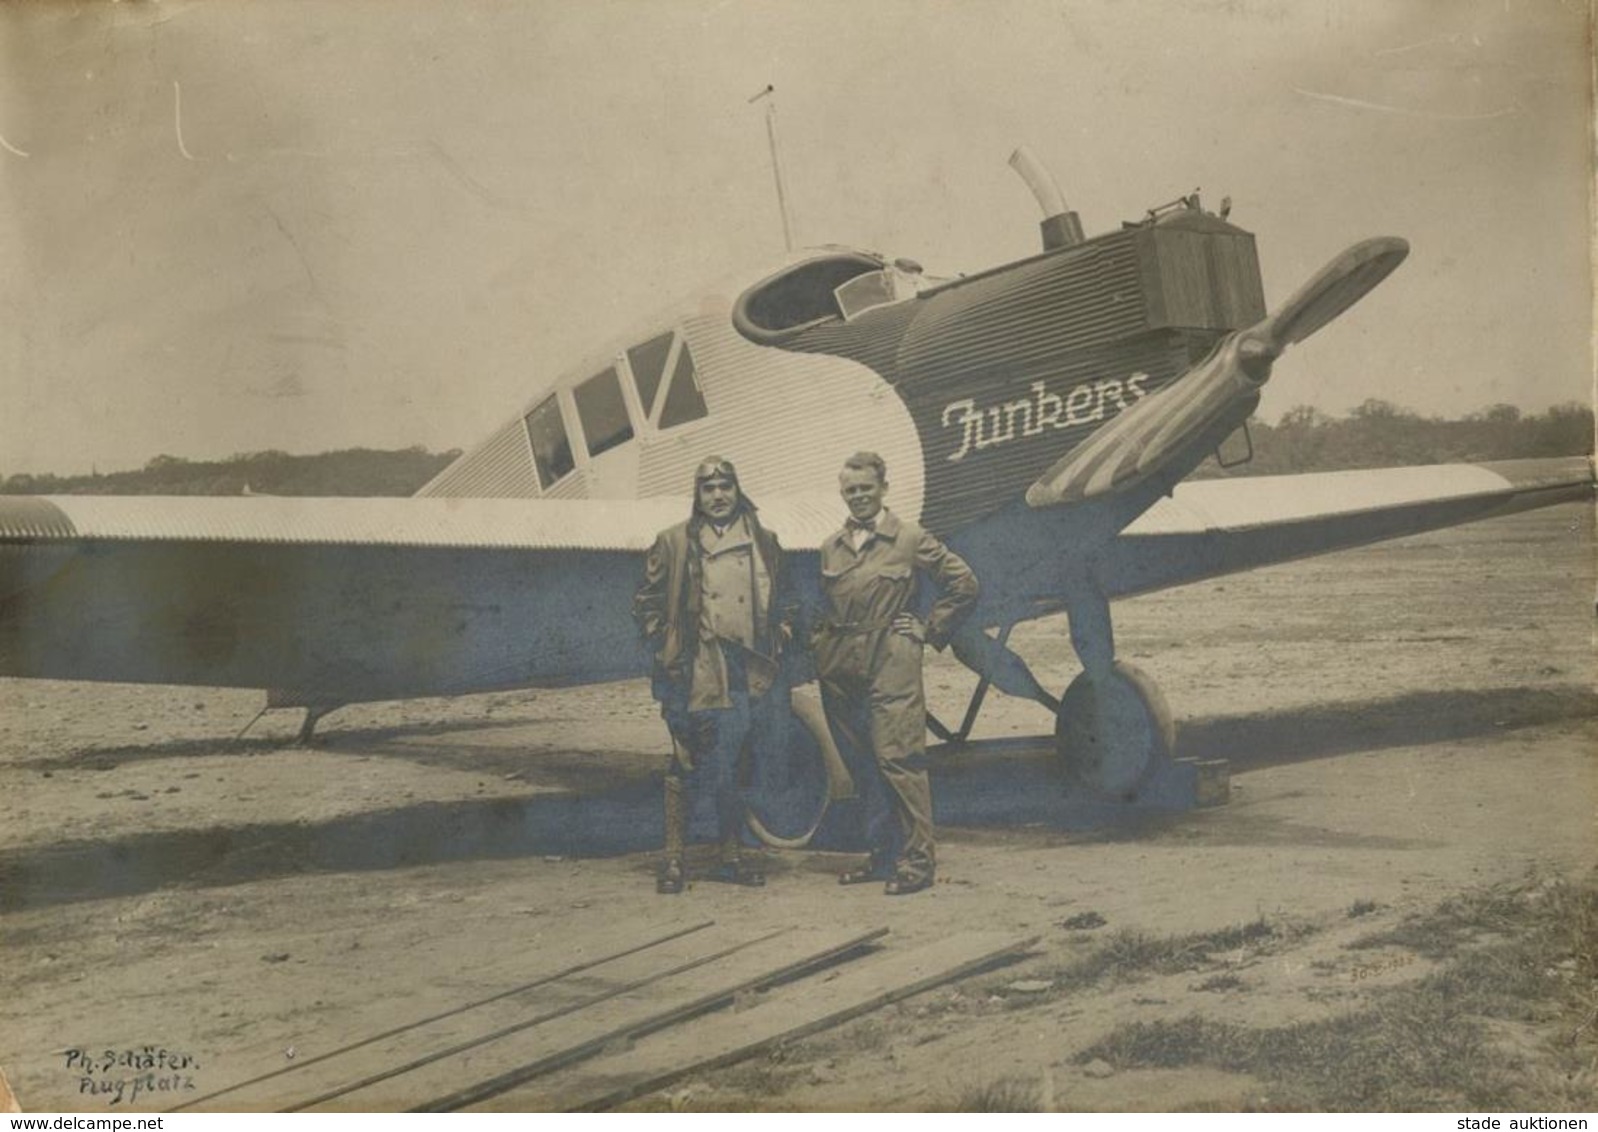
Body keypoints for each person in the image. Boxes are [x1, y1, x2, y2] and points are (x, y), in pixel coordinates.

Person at [814, 451, 978, 896]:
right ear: (842, 494)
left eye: (866, 488)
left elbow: (964, 583)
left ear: (883, 488)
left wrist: (929, 627)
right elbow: (822, 604)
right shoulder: (832, 546)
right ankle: (882, 855)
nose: (859, 496)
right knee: (862, 763)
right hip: (840, 666)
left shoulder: (909, 537)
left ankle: (918, 862)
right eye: (851, 490)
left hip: (891, 661)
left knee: (899, 760)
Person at [633, 456, 795, 894]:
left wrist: (780, 633)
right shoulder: (673, 542)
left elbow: (784, 598)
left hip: (745, 669)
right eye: (709, 488)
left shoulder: (765, 541)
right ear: (697, 495)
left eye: (726, 486)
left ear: (738, 490)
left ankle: (731, 856)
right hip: (695, 669)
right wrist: (666, 649)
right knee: (684, 760)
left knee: (737, 760)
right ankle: (672, 861)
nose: (719, 495)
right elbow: (646, 603)